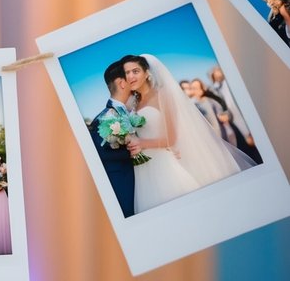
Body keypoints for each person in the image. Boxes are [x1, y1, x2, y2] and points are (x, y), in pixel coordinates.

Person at [123, 54, 254, 214]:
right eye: (127, 73)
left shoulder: (162, 95)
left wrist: (141, 143)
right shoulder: (134, 103)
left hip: (165, 166)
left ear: (147, 72)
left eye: (135, 71)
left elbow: (171, 138)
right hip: (144, 169)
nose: (130, 76)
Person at [89, 60, 137, 219]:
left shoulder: (131, 112)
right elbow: (100, 155)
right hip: (123, 187)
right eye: (130, 75)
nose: (134, 79)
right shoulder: (104, 118)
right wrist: (131, 153)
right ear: (122, 83)